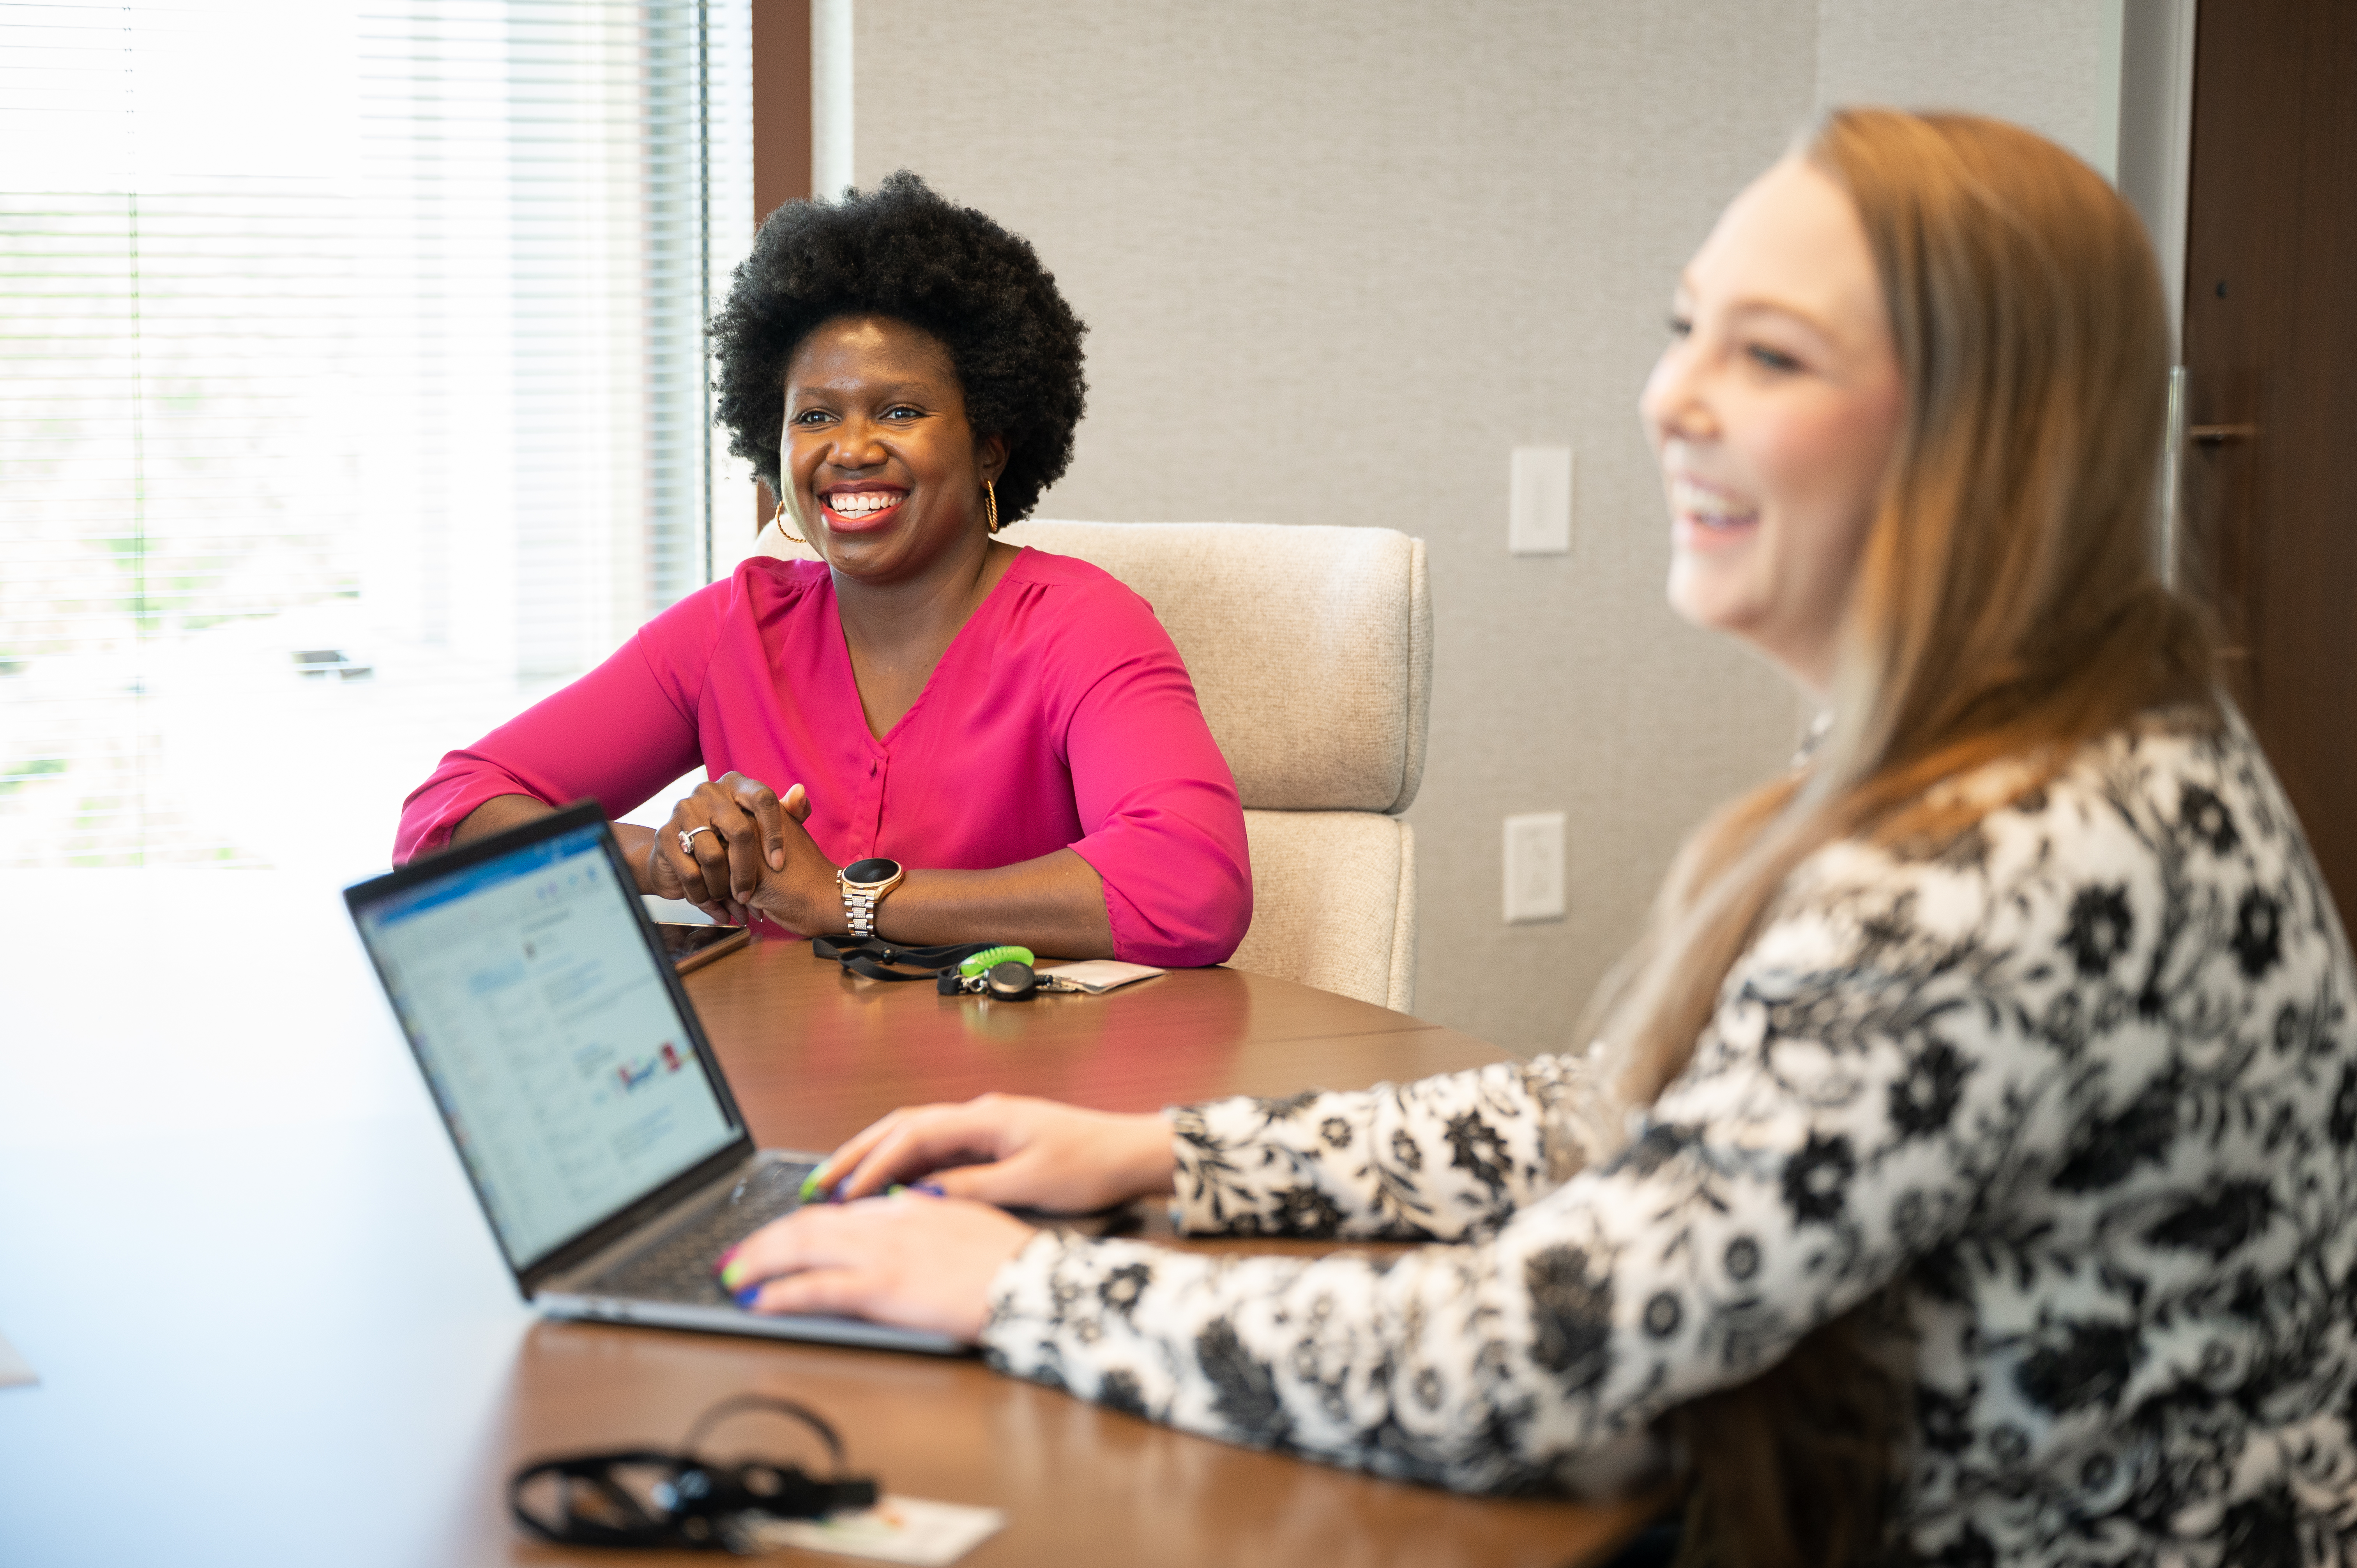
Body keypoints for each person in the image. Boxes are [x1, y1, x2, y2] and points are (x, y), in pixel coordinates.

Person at [711, 110, 2357, 1567]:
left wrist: (1008, 1288)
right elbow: (1662, 1115)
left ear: (1983, 436)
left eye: (1771, 357)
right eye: (1685, 330)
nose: (1670, 398)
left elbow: (1526, 1363)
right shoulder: (2046, 725)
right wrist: (1174, 1157)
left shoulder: (2004, 858)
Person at [394, 173, 1251, 967]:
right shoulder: (732, 629)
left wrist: (845, 900)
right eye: (814, 415)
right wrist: (658, 856)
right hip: (792, 1086)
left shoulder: (1079, 624)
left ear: (990, 445)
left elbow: (1191, 886)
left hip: (1021, 1094)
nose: (850, 449)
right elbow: (446, 818)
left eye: (901, 411)